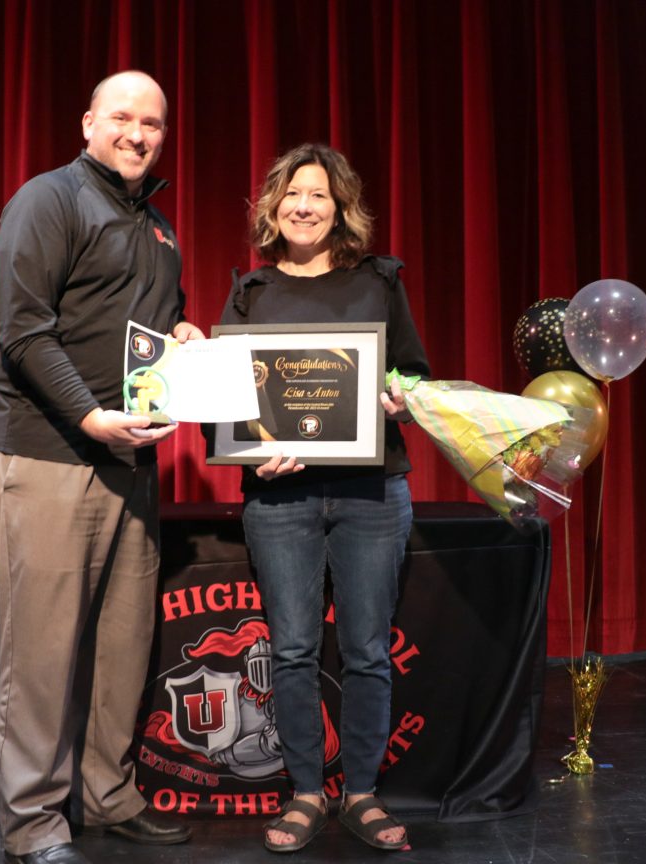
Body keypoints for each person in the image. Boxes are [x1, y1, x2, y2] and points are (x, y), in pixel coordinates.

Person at [0, 70, 202, 864]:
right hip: (46, 453)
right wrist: (91, 417)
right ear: (88, 122)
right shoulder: (50, 200)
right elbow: (24, 330)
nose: (138, 134)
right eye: (123, 118)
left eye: (154, 124)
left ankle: (107, 795)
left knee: (123, 640)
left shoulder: (158, 227)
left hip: (128, 464)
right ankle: (34, 821)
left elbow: (152, 327)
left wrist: (185, 340)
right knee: (40, 650)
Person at [218, 143, 430, 853]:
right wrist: (251, 449)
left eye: (319, 196)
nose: (304, 207)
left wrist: (402, 395)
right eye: (292, 196)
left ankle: (362, 794)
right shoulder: (251, 291)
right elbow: (225, 402)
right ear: (272, 209)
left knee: (368, 650)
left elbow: (415, 373)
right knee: (294, 651)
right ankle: (307, 793)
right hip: (281, 500)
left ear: (341, 209)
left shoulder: (379, 280)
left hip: (371, 493)